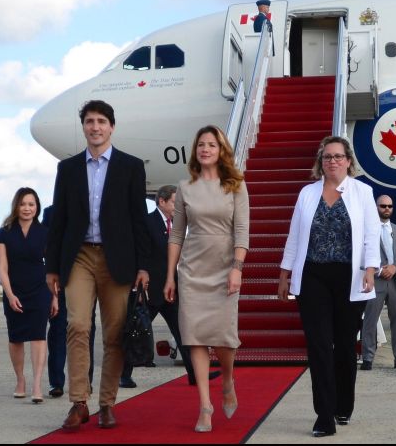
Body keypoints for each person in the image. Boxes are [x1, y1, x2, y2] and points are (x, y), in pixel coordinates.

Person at [45, 99, 150, 431]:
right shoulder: (68, 169)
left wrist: (144, 266)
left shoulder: (131, 167)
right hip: (79, 257)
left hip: (117, 259)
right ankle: (79, 402)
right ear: (83, 127)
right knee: (77, 325)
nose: (95, 127)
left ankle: (107, 403)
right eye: (89, 121)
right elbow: (58, 220)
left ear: (112, 127)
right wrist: (51, 267)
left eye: (101, 121)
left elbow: (139, 219)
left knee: (115, 334)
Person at [278, 136, 381, 438]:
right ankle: (324, 415)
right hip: (313, 276)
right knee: (319, 345)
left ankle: (343, 406)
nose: (332, 161)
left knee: (345, 345)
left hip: (350, 277)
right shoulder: (307, 193)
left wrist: (371, 269)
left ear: (348, 161)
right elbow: (294, 236)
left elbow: (371, 234)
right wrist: (284, 273)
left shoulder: (363, 192)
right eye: (327, 157)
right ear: (320, 162)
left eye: (338, 156)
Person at [164, 125, 249, 433]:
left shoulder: (236, 184)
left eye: (212, 144)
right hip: (192, 270)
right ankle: (205, 406)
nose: (205, 149)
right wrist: (171, 275)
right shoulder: (185, 187)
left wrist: (237, 267)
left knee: (224, 338)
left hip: (225, 268)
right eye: (201, 144)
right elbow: (176, 234)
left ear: (221, 150)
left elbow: (242, 230)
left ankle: (227, 380)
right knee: (194, 337)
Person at [120, 185, 222, 388]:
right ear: (162, 201)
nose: (179, 206)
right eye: (175, 202)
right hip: (150, 289)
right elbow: (140, 253)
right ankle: (124, 375)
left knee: (183, 331)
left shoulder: (176, 224)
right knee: (136, 331)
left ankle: (195, 374)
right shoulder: (148, 222)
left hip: (171, 288)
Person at [0, 187, 56, 404]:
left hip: (40, 290)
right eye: (23, 204)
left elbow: (51, 268)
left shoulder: (44, 232)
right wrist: (10, 295)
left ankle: (37, 384)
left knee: (39, 336)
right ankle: (20, 380)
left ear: (37, 207)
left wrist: (55, 297)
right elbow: (2, 268)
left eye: (31, 204)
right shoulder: (5, 232)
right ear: (16, 206)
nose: (27, 208)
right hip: (14, 291)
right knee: (16, 337)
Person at [42, 205, 97, 398]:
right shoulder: (51, 212)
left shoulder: (90, 209)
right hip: (61, 281)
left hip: (87, 280)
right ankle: (56, 382)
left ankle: (86, 380)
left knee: (86, 329)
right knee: (58, 330)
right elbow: (47, 246)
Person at [360, 195, 396, 372]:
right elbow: (360, 255)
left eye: (390, 206)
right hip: (375, 281)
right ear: (376, 207)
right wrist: (377, 270)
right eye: (383, 206)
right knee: (369, 322)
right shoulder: (366, 230)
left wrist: (395, 267)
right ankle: (368, 358)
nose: (386, 209)